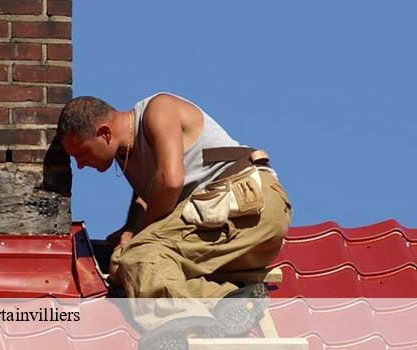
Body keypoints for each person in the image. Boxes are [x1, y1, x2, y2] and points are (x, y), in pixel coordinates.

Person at [56, 92, 293, 348]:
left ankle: (184, 325)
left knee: (137, 259)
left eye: (80, 153)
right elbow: (148, 196)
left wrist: (139, 239)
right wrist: (131, 228)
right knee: (152, 269)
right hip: (235, 231)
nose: (79, 165)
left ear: (104, 133)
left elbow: (169, 181)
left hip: (248, 203)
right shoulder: (129, 156)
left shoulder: (158, 110)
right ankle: (230, 299)